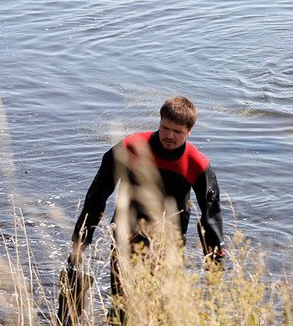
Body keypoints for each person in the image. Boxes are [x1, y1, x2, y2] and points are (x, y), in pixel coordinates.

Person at [66, 96, 225, 321]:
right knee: (122, 305)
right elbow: (98, 194)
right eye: (165, 128)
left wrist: (214, 262)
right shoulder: (131, 147)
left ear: (190, 131)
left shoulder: (196, 163)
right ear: (159, 123)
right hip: (125, 235)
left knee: (161, 310)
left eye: (177, 131)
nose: (169, 135)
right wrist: (81, 241)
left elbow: (211, 215)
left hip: (169, 244)